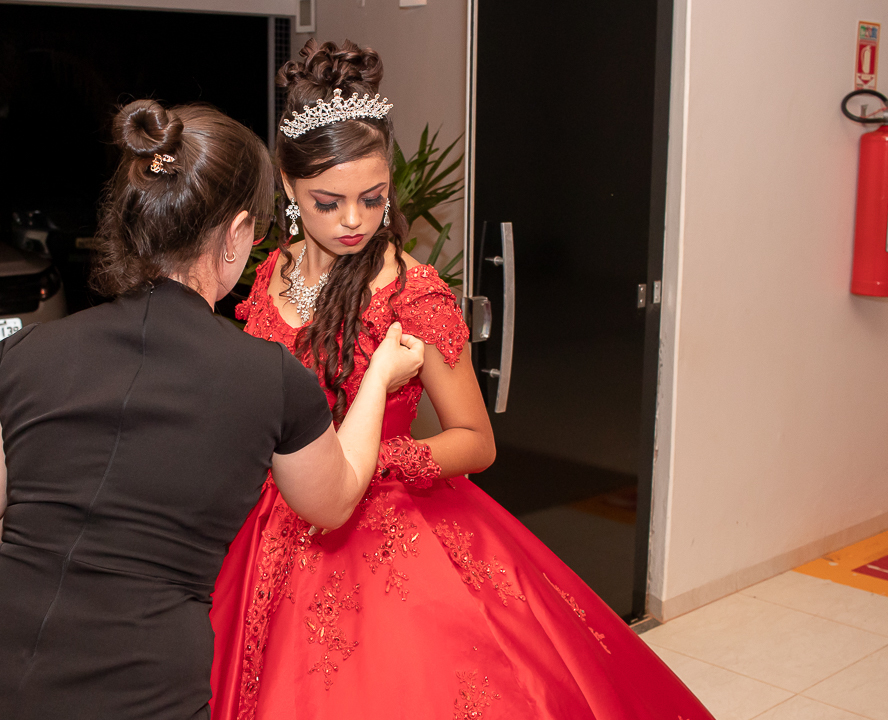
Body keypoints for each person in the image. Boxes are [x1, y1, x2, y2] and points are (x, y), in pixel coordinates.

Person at [208, 40, 715, 719]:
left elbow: (475, 441)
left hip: (389, 526)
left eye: (372, 198)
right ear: (290, 191)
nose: (354, 220)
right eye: (328, 203)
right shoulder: (270, 273)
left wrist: (359, 464)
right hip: (274, 526)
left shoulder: (415, 295)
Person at [0, 100, 424, 720]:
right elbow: (333, 498)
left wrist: (65, 533)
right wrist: (379, 377)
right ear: (237, 233)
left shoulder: (23, 351)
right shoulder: (271, 378)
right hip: (138, 676)